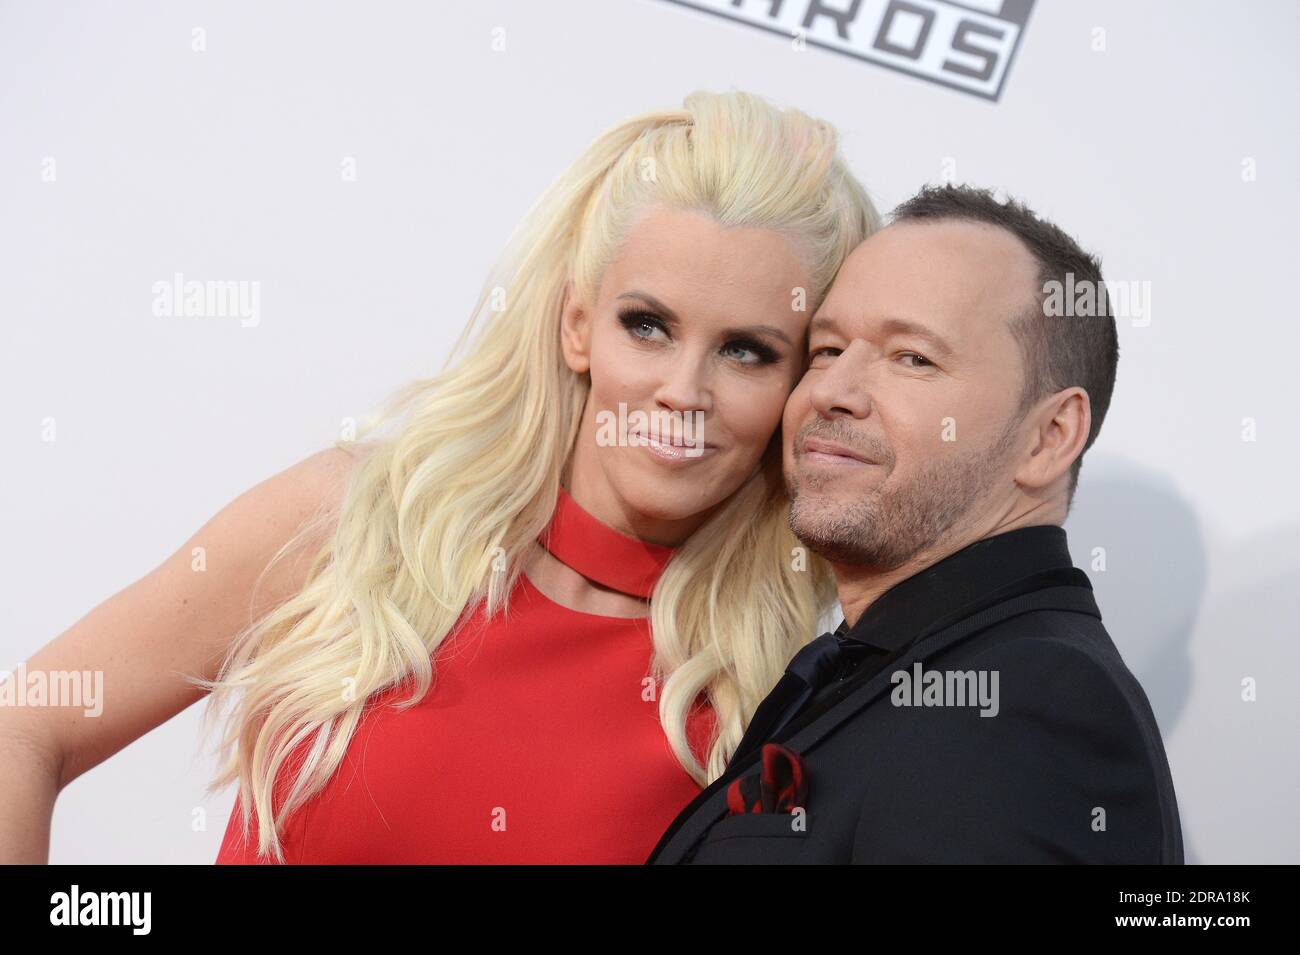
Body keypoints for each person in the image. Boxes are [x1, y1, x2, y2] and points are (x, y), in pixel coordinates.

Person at [0, 89, 881, 864]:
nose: (682, 390)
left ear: (800, 386)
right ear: (579, 325)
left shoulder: (777, 694)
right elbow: (27, 724)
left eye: (746, 351)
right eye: (646, 325)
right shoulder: (356, 521)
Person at [648, 184, 1184, 865]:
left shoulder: (1025, 706)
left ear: (1050, 436)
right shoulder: (897, 668)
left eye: (913, 358)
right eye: (826, 348)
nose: (833, 392)